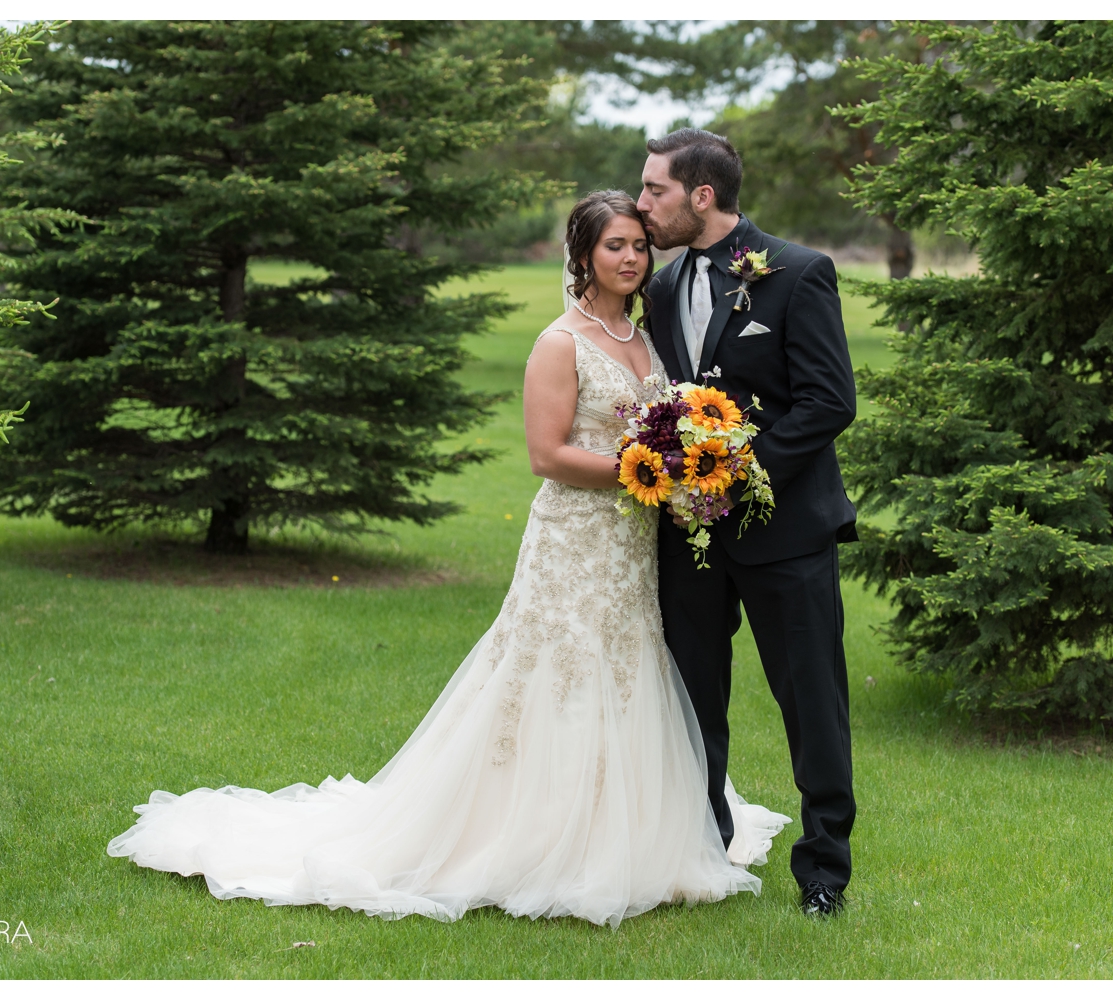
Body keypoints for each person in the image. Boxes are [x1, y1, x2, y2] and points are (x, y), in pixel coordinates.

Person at [107, 190, 789, 929]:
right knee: (559, 667)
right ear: (582, 256)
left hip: (631, 543)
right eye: (614, 247)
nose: (630, 259)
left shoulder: (646, 334)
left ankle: (627, 826)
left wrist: (681, 461)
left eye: (637, 246)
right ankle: (531, 837)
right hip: (572, 541)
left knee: (625, 665)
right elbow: (546, 454)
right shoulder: (561, 343)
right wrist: (649, 464)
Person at [637, 129, 859, 917]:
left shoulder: (799, 273)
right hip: (687, 537)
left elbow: (830, 402)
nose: (642, 204)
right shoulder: (660, 288)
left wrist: (741, 473)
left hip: (786, 534)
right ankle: (705, 849)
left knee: (812, 702)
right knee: (693, 700)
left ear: (702, 196)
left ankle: (824, 871)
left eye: (655, 190)